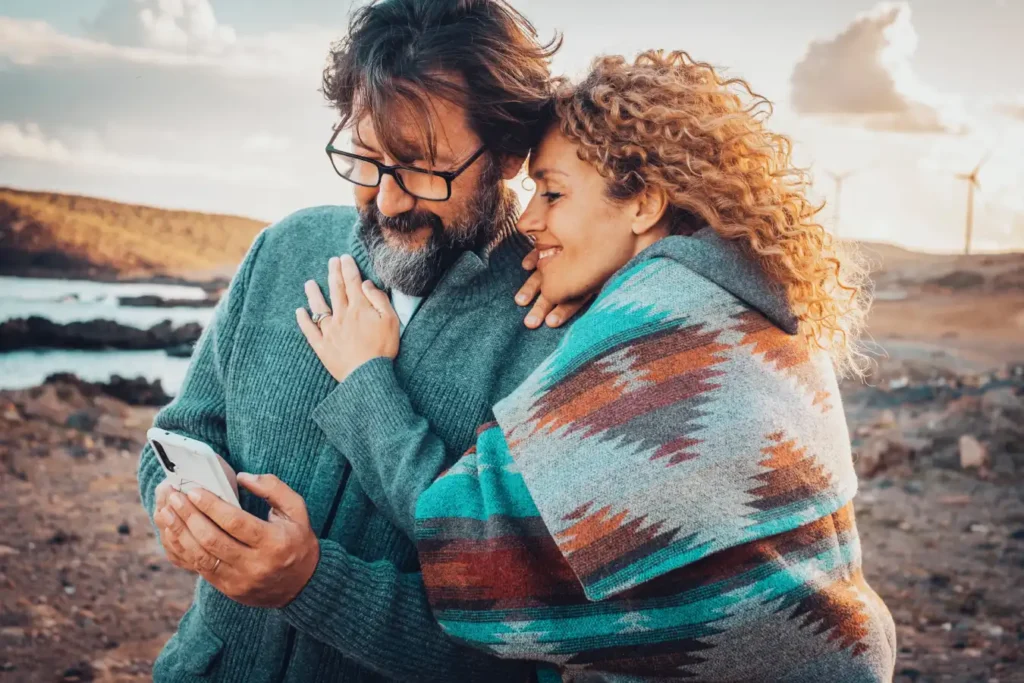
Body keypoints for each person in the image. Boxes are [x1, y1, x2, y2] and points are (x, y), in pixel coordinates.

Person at [299, 52, 897, 681]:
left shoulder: (658, 325)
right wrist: (599, 275)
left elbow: (474, 546)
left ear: (643, 205)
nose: (527, 221)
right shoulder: (753, 310)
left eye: (553, 194)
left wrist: (366, 381)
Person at [138, 1, 585, 681]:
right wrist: (174, 505)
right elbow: (175, 436)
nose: (386, 200)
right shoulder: (284, 249)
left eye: (422, 167)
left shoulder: (555, 326)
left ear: (505, 152)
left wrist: (311, 584)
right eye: (365, 158)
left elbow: (522, 644)